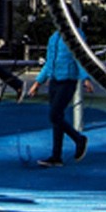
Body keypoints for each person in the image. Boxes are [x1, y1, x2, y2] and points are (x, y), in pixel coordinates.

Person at [30, 25, 90, 167]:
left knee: (55, 115)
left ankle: (79, 138)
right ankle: (56, 156)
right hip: (54, 80)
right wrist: (38, 82)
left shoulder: (75, 35)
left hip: (68, 80)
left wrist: (85, 78)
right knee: (57, 118)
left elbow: (80, 58)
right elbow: (49, 62)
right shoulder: (54, 37)